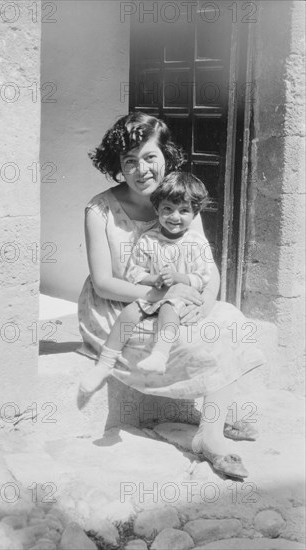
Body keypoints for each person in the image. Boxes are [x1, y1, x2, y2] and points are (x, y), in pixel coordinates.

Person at [77, 112, 266, 479]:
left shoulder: (179, 199)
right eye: (129, 161)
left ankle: (209, 434)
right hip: (121, 307)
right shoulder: (99, 210)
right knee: (196, 342)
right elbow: (103, 282)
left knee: (228, 320)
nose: (141, 169)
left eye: (150, 157)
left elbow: (205, 266)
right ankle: (211, 430)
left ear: (166, 157)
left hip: (178, 299)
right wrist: (164, 294)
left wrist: (205, 303)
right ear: (117, 165)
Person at [80, 171, 213, 392]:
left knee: (169, 309)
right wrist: (154, 279)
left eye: (184, 211)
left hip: (182, 300)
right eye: (167, 209)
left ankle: (159, 355)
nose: (175, 217)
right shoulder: (149, 240)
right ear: (157, 210)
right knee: (129, 313)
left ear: (195, 213)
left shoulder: (196, 243)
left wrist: (179, 279)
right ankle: (104, 364)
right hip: (153, 294)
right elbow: (135, 272)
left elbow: (203, 276)